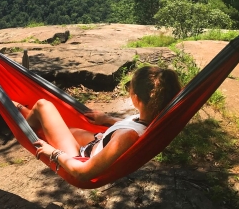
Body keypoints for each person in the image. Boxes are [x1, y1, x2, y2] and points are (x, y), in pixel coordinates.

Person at [13, 66, 181, 181]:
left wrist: (54, 153)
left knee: (44, 105)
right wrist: (107, 119)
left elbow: (83, 173)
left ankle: (19, 119)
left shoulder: (126, 137)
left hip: (79, 158)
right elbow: (133, 126)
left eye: (130, 89)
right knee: (56, 125)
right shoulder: (154, 119)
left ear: (136, 98)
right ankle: (23, 113)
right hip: (97, 142)